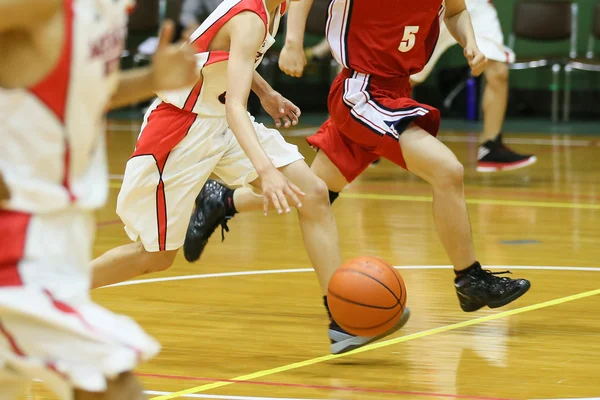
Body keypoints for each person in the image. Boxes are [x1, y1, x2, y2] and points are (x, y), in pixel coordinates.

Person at [89, 0, 409, 355]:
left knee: (314, 194)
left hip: (219, 122)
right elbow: (234, 105)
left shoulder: (274, 9)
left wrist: (266, 92)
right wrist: (266, 170)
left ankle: (343, 318)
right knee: (155, 256)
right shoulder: (249, 17)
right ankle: (55, 293)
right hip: (181, 130)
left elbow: (225, 55)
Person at [184, 0, 531, 313]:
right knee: (448, 170)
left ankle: (225, 201)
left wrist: (469, 41)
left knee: (312, 194)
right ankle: (469, 280)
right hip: (363, 91)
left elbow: (456, 12)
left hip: (397, 87)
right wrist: (293, 42)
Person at [0, 0, 199, 398]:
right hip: (17, 241)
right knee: (112, 382)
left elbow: (82, 92)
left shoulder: (109, 9)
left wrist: (151, 79)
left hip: (62, 234)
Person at [410, 0, 536, 172]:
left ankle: (491, 146)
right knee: (409, 77)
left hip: (477, 6)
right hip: (435, 5)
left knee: (498, 71)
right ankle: (368, 135)